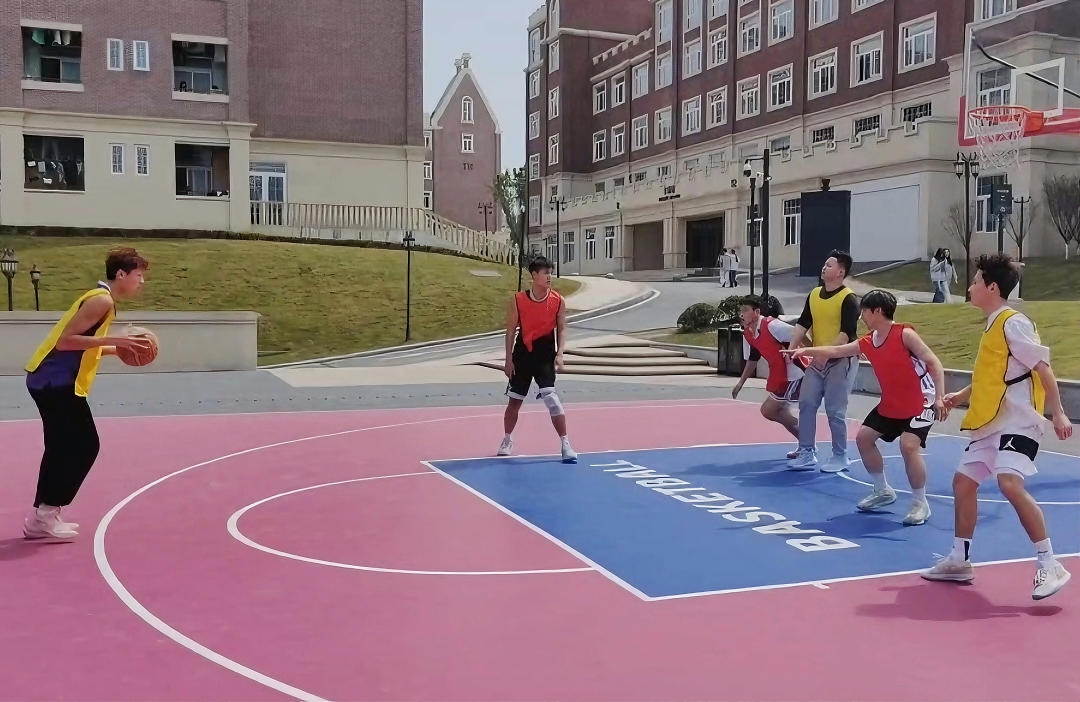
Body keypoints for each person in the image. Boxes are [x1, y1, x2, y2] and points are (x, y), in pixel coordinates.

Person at [922, 254, 1073, 599]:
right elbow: (993, 376)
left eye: (976, 281)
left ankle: (1050, 563)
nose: (970, 287)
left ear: (992, 287)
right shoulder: (994, 325)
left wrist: (1059, 413)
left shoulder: (1012, 322)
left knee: (1008, 482)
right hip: (991, 422)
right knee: (963, 483)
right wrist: (960, 396)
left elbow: (1042, 367)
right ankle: (959, 560)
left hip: (1019, 421)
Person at [22, 248, 150, 540]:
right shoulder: (102, 300)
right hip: (54, 380)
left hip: (49, 379)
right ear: (121, 274)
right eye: (139, 275)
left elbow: (83, 343)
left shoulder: (102, 299)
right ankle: (45, 515)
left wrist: (118, 349)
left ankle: (45, 515)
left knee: (62, 447)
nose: (142, 281)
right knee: (84, 446)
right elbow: (66, 342)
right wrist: (116, 340)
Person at [788, 290, 946, 526]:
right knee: (864, 438)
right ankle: (882, 490)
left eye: (864, 311)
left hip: (922, 400)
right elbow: (837, 351)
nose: (861, 316)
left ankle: (920, 503)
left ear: (877, 311)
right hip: (892, 402)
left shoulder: (905, 334)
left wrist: (940, 398)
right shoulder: (868, 341)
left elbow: (934, 362)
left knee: (908, 445)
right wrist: (806, 350)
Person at [787, 250, 861, 472]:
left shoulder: (849, 299)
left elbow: (846, 334)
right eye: (824, 264)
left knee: (835, 411)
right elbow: (803, 323)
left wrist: (824, 355)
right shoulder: (814, 294)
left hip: (841, 361)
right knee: (806, 404)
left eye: (829, 265)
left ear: (841, 272)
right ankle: (807, 451)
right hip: (818, 361)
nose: (824, 267)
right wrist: (791, 348)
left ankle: (840, 455)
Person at [499, 256, 577, 463]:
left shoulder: (558, 300)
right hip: (523, 354)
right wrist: (508, 359)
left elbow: (562, 328)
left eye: (551, 272)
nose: (549, 276)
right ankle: (507, 439)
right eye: (545, 273)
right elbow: (510, 331)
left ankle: (565, 443)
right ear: (534, 275)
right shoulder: (518, 300)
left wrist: (560, 353)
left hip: (545, 353)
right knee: (515, 400)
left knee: (551, 399)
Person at [732, 296, 804, 458]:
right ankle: (806, 442)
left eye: (745, 310)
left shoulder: (772, 325)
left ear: (757, 312)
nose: (741, 314)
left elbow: (799, 333)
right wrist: (741, 382)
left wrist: (813, 352)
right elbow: (753, 359)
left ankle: (807, 442)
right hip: (781, 375)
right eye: (740, 310)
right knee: (773, 411)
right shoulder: (749, 333)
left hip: (796, 372)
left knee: (770, 410)